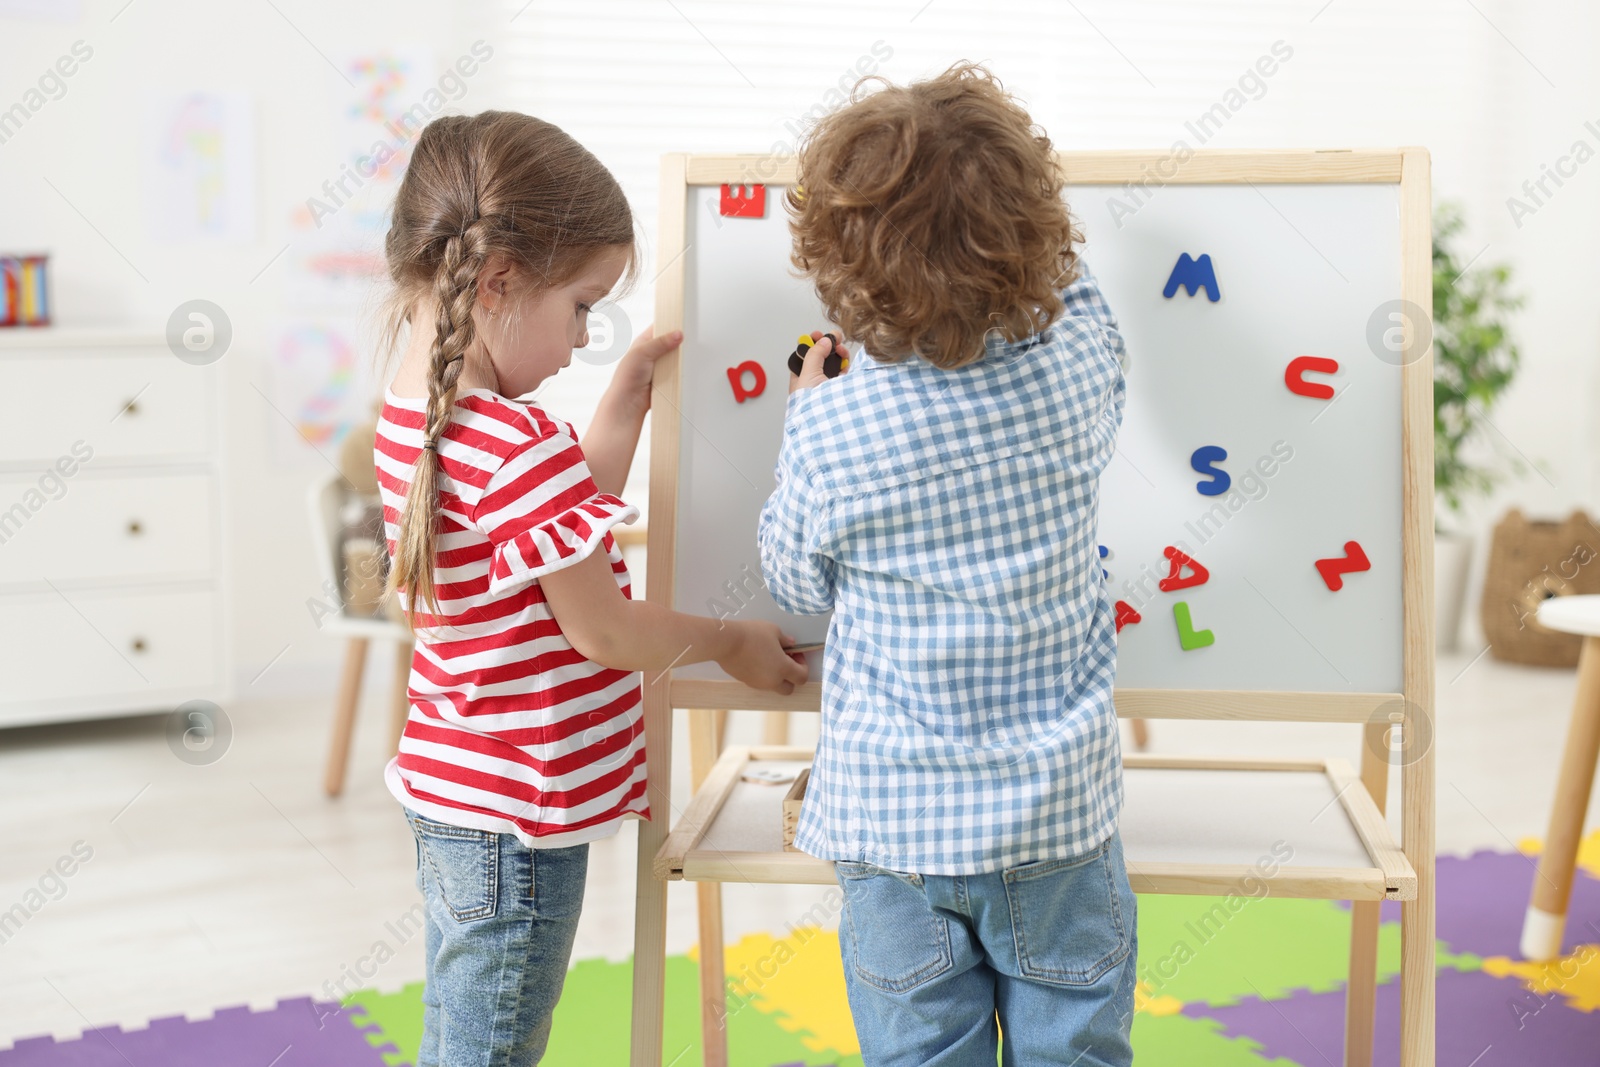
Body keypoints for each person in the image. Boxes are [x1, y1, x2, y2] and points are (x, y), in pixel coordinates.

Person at [376, 110, 807, 1065]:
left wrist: (619, 408)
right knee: (493, 1048)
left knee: (456, 1031)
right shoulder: (516, 446)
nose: (580, 338)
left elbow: (543, 544)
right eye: (581, 306)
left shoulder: (416, 418)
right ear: (498, 283)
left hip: (455, 794)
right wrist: (729, 638)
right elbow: (603, 629)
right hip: (520, 821)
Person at [759, 64, 1136, 1066]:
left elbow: (793, 582)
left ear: (845, 276)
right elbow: (1074, 291)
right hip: (1059, 820)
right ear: (1035, 233)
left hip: (893, 830)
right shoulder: (1081, 358)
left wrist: (807, 410)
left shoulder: (835, 429)